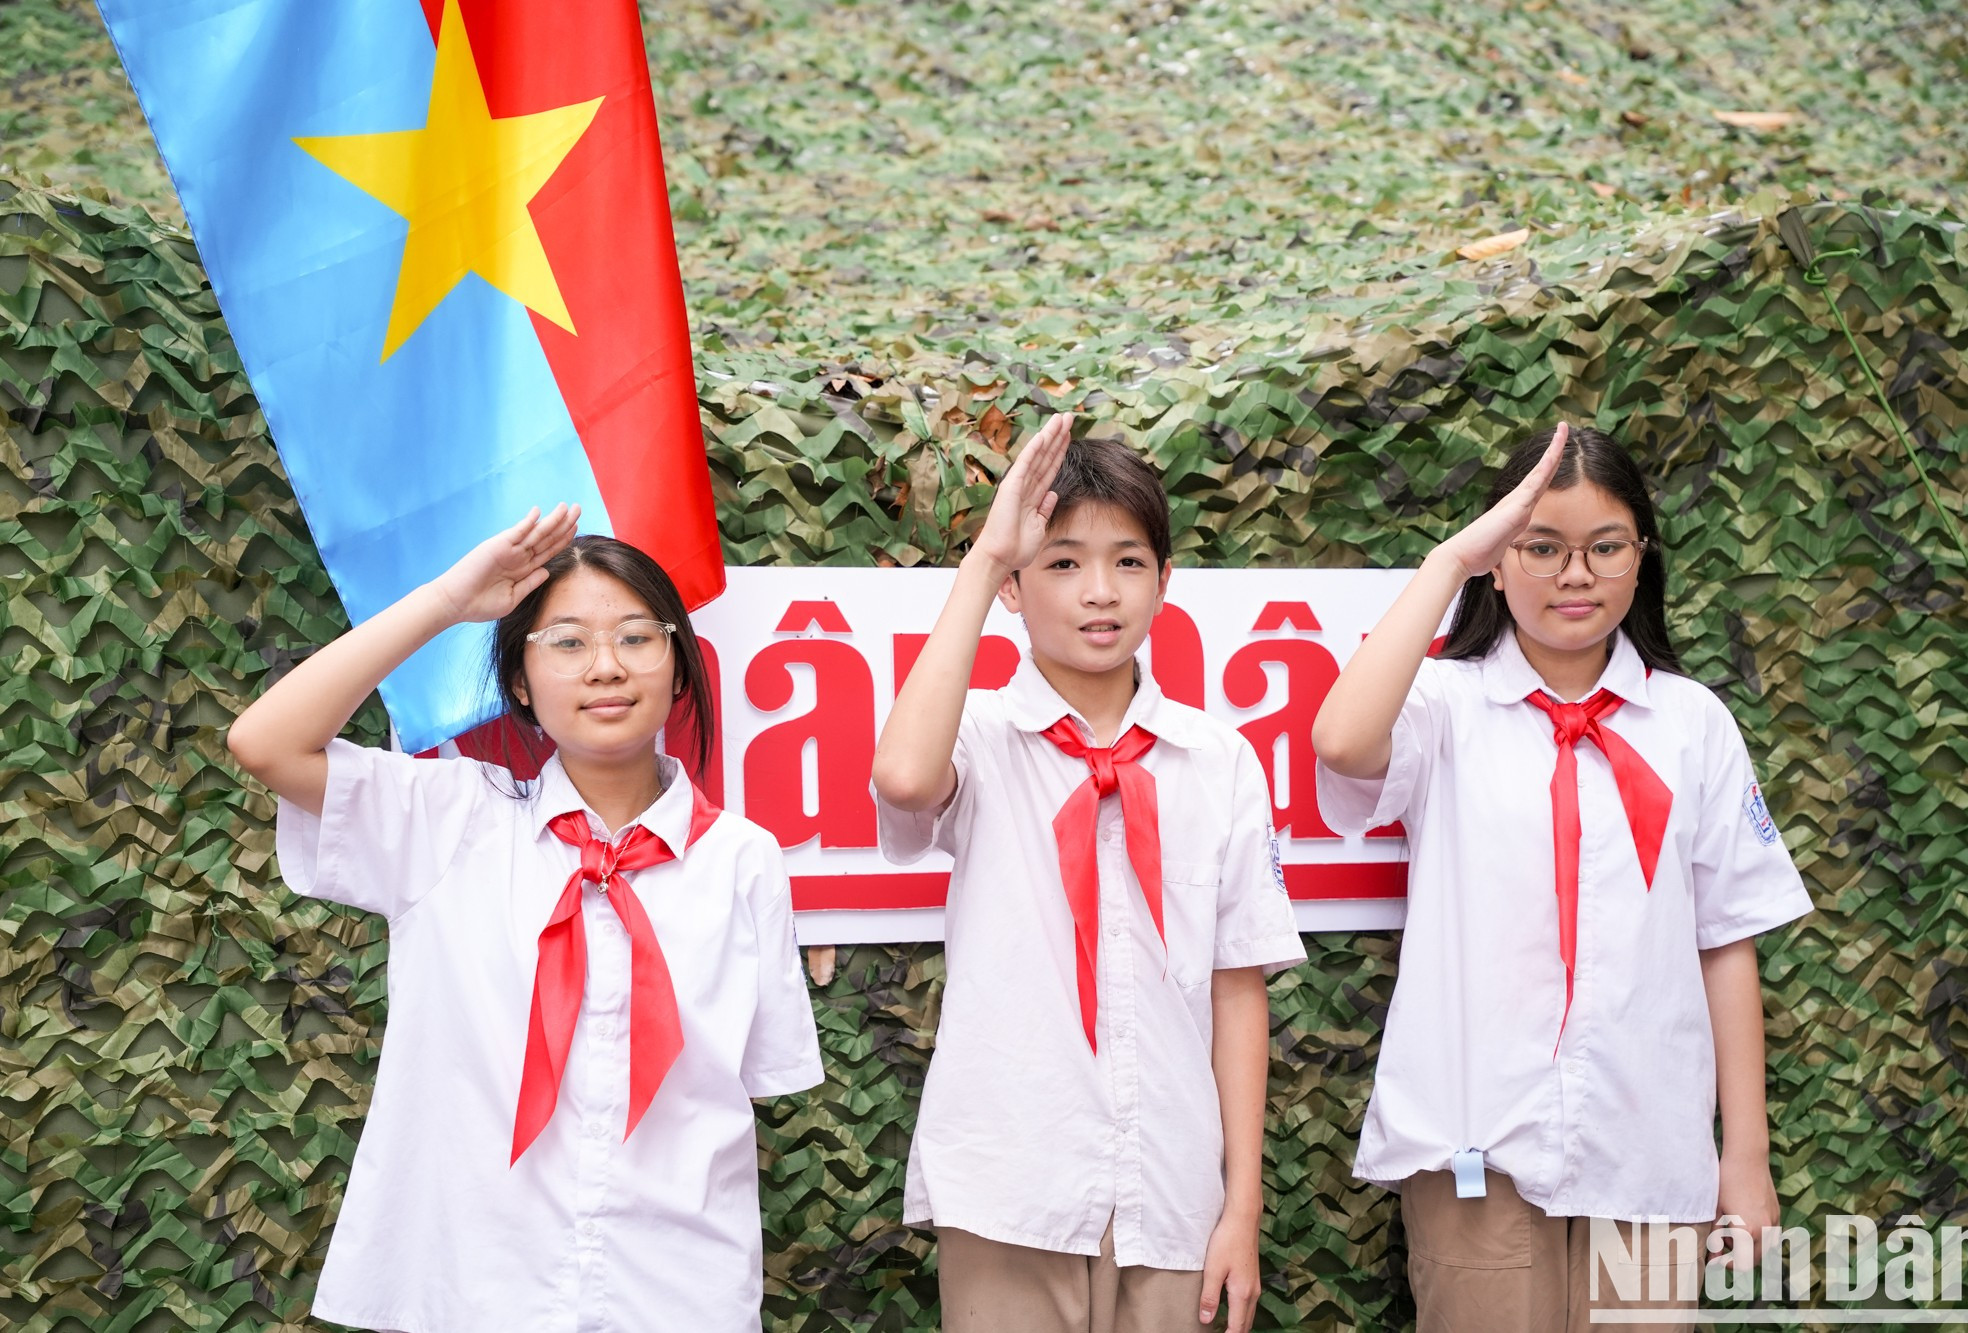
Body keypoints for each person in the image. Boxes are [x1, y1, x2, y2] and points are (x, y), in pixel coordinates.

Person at [226, 510, 823, 1333]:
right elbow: (264, 743)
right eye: (568, 642)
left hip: (680, 1290)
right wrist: (443, 602)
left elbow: (741, 1090)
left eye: (637, 637)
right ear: (519, 681)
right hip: (478, 1286)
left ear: (680, 667)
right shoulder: (449, 821)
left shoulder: (743, 860)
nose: (606, 666)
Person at [1310, 423, 1813, 1332]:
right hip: (1479, 1143)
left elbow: (1724, 942)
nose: (1574, 574)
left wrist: (1745, 1153)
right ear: (1499, 563)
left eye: (1604, 546)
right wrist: (1449, 561)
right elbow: (1341, 739)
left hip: (1650, 1143)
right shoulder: (1444, 708)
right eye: (1540, 547)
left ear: (1640, 558)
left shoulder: (1692, 724)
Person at [871, 415, 1306, 1333]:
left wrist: (1242, 1207)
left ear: (1165, 582)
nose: (1099, 592)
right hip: (1009, 1187)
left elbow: (1238, 990)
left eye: (1128, 562)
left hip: (1173, 1195)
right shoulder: (982, 738)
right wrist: (987, 557)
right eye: (1062, 563)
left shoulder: (1217, 758)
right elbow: (905, 777)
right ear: (1018, 589)